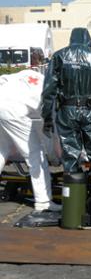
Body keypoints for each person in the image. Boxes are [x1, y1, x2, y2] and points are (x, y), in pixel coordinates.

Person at [41, 27, 91, 212]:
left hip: (67, 110)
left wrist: (47, 117)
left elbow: (49, 91)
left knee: (70, 157)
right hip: (90, 110)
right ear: (89, 39)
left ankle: (73, 205)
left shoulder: (59, 56)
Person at [0, 70, 61, 211]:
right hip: (13, 110)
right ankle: (43, 202)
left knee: (2, 150)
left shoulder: (36, 76)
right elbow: (48, 131)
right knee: (35, 155)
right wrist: (55, 158)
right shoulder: (51, 96)